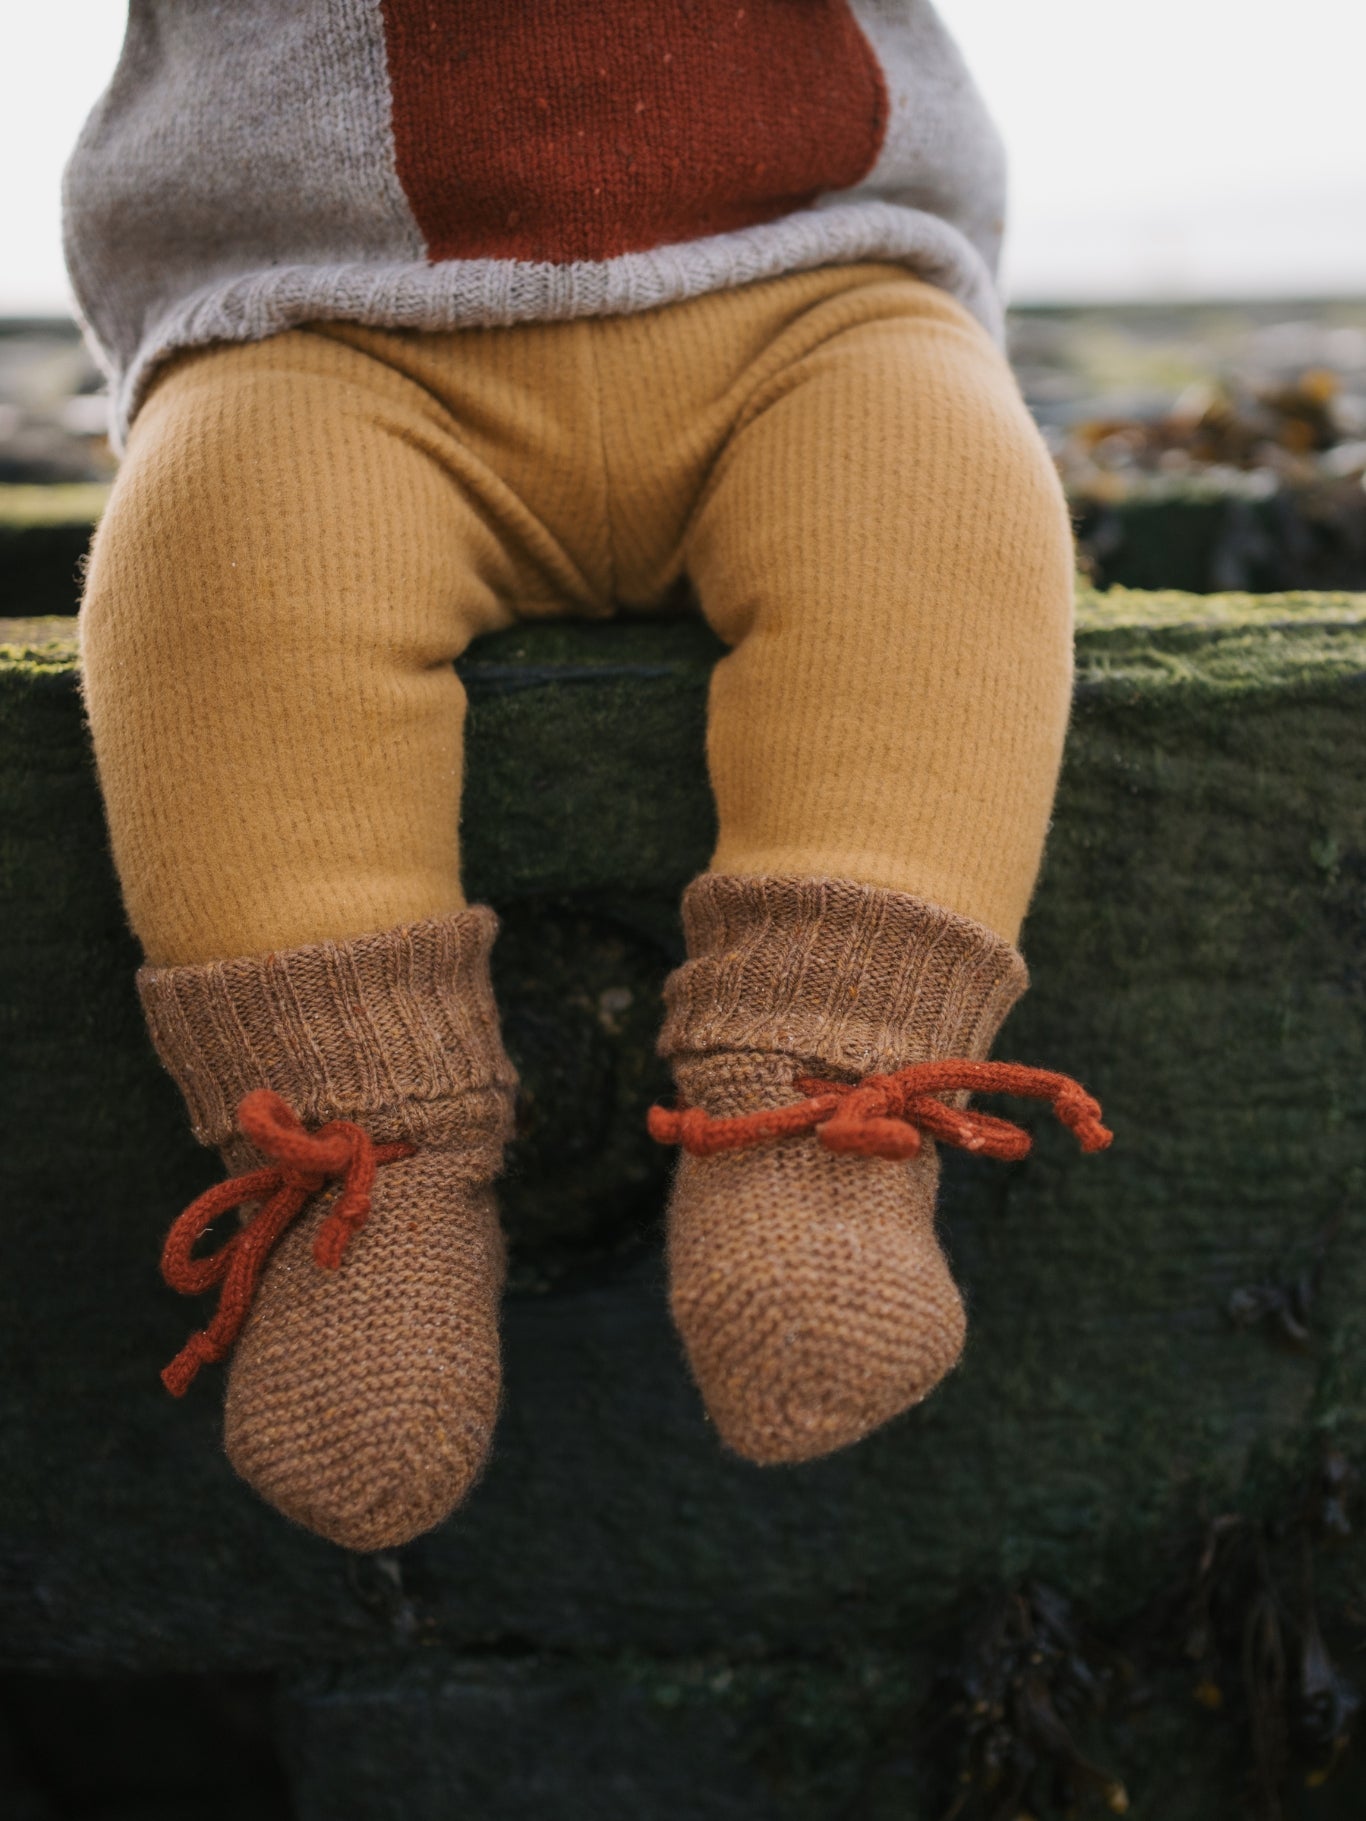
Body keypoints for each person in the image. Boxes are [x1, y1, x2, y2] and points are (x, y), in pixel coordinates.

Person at [66, 1, 1105, 1553]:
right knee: (223, 560)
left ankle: (825, 1100)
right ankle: (361, 1172)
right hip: (319, 325)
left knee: (938, 515)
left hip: (817, 291)